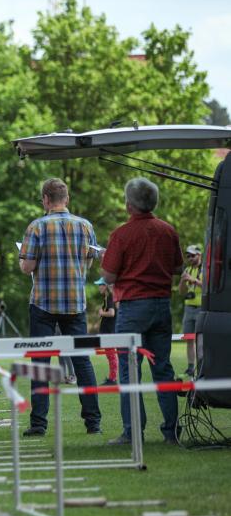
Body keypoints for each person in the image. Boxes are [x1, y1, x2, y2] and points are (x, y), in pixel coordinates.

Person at [101, 177, 184, 445]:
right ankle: (171, 432)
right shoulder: (168, 231)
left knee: (128, 369)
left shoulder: (121, 234)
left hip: (133, 306)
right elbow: (178, 269)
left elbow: (109, 275)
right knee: (163, 368)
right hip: (162, 304)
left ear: (129, 205)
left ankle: (133, 431)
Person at [19, 178, 101, 436]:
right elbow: (91, 258)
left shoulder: (36, 227)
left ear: (45, 199)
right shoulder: (85, 226)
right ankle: (93, 423)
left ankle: (39, 424)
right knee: (82, 362)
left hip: (44, 302)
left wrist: (24, 257)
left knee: (40, 362)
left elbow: (27, 267)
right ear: (66, 199)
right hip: (75, 302)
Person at [178, 244, 203, 377]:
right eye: (188, 256)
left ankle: (201, 365)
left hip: (201, 308)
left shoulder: (205, 270)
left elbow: (208, 288)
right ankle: (190, 366)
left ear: (199, 255)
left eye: (192, 255)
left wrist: (194, 280)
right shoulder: (187, 269)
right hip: (189, 308)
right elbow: (181, 292)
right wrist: (182, 281)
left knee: (201, 340)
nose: (190, 258)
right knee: (189, 339)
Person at [94, 278, 117, 385]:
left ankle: (112, 379)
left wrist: (102, 313)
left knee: (111, 355)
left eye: (101, 285)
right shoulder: (107, 298)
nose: (99, 287)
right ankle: (112, 378)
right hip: (107, 331)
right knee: (110, 355)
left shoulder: (110, 297)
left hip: (109, 332)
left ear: (106, 286)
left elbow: (112, 313)